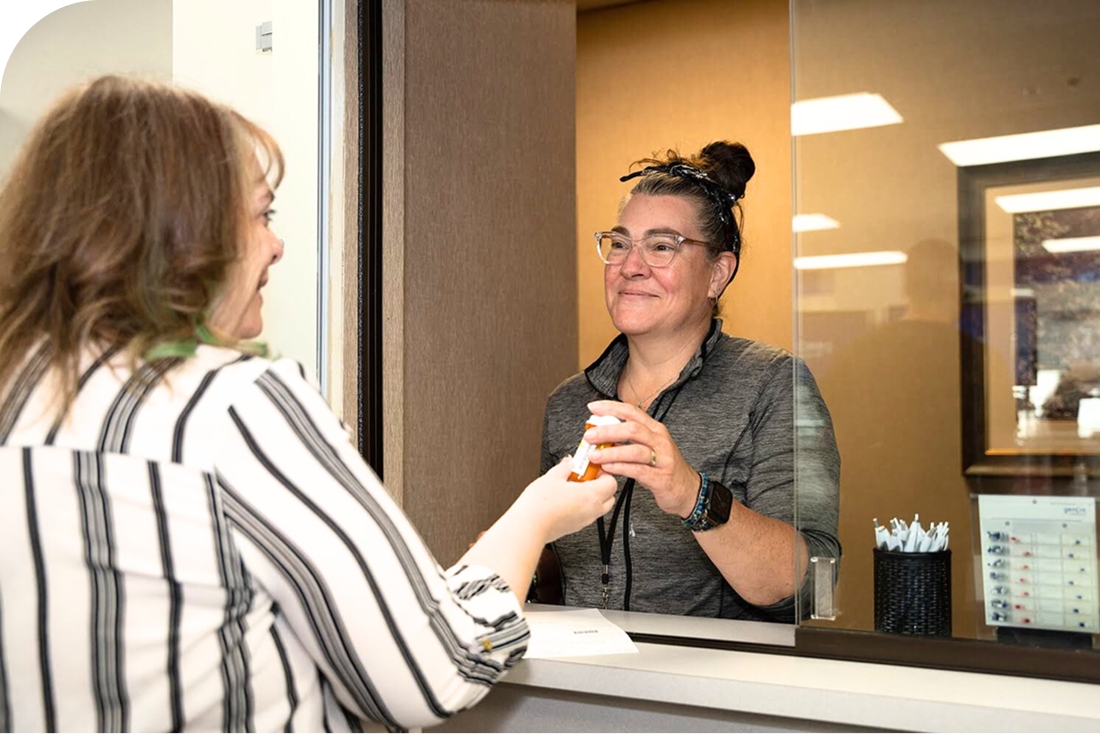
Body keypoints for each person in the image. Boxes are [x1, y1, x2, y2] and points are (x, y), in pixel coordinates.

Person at [0, 76, 617, 732]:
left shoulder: (17, 397)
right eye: (262, 215)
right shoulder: (236, 406)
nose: (276, 245)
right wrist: (538, 515)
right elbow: (434, 670)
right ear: (187, 238)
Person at [538, 142, 840, 621]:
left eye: (661, 247)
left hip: (713, 691)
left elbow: (810, 583)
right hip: (585, 684)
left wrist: (691, 494)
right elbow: (574, 567)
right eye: (620, 243)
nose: (630, 265)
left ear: (717, 274)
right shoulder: (569, 402)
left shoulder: (772, 384)